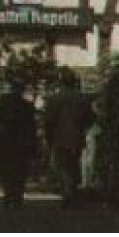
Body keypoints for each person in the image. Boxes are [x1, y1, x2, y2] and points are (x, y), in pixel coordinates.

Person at [43, 69, 96, 208]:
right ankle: (71, 192)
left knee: (63, 166)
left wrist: (48, 136)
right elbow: (91, 118)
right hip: (77, 136)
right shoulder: (82, 99)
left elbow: (48, 120)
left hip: (60, 136)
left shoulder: (55, 98)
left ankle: (68, 193)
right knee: (73, 164)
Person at [0, 78, 38, 209]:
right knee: (18, 170)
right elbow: (31, 128)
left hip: (7, 141)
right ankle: (15, 196)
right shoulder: (26, 106)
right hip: (19, 143)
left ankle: (10, 194)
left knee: (7, 169)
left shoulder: (3, 103)